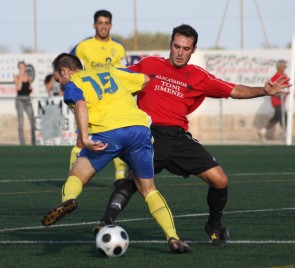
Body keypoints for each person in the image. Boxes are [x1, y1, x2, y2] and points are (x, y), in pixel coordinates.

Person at [96, 24, 291, 247]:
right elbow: (118, 79)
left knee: (220, 180)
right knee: (134, 179)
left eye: (186, 48)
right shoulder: (149, 64)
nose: (180, 52)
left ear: (193, 49)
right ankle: (106, 221)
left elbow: (233, 90)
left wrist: (264, 91)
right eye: (176, 46)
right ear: (170, 45)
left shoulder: (199, 76)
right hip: (149, 134)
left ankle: (213, 225)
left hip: (179, 138)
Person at [41, 53, 190, 254]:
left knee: (76, 174)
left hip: (109, 134)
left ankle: (69, 199)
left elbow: (81, 104)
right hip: (139, 129)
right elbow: (144, 79)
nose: (60, 85)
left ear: (65, 71)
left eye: (59, 80)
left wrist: (84, 138)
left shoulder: (74, 83)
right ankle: (173, 237)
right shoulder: (109, 71)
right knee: (149, 190)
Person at [69, 10, 128, 184]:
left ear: (110, 25)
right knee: (82, 139)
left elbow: (123, 73)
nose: (103, 26)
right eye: (100, 23)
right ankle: (73, 177)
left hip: (113, 101)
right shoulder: (83, 46)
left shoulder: (119, 48)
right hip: (90, 101)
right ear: (94, 25)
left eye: (106, 23)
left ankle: (119, 176)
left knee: (118, 136)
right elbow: (71, 67)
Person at [258, 60, 290, 141]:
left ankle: (263, 131)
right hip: (277, 101)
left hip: (283, 101)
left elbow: (287, 86)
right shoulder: (275, 77)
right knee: (283, 116)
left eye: (285, 66)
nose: (284, 68)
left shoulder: (285, 76)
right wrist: (279, 95)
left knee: (277, 117)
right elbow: (271, 90)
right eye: (283, 66)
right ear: (279, 67)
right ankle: (286, 134)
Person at [13, 61, 35, 145]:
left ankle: (33, 141)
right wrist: (21, 79)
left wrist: (30, 87)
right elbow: (18, 88)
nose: (22, 69)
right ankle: (22, 143)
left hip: (27, 99)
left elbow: (30, 89)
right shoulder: (17, 77)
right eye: (20, 67)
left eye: (23, 67)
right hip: (20, 100)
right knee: (21, 121)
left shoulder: (28, 77)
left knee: (32, 120)